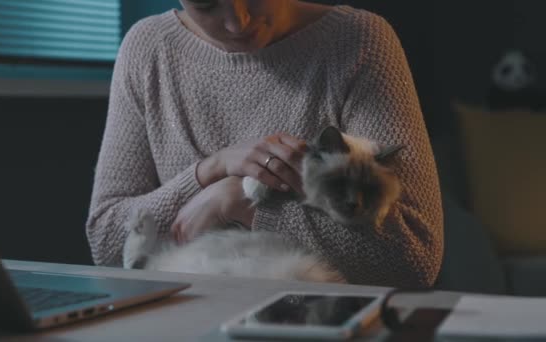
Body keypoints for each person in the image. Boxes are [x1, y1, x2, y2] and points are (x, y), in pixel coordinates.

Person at [86, 0, 443, 288]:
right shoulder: (147, 48)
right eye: (207, 5)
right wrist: (209, 172)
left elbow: (413, 258)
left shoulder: (358, 42)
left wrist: (241, 205)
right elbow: (105, 241)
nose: (237, 22)